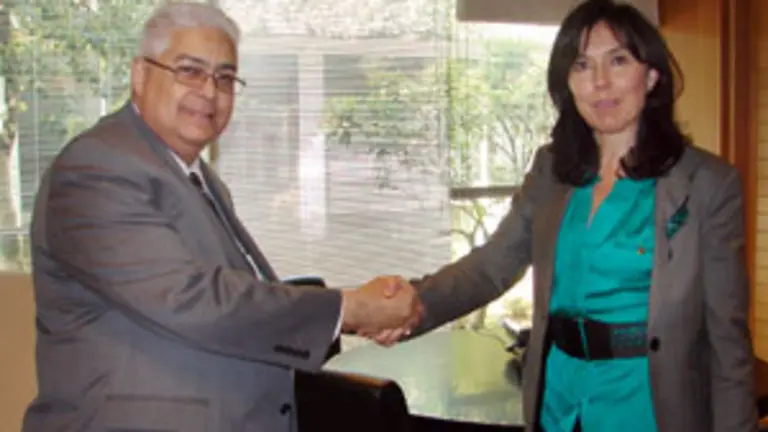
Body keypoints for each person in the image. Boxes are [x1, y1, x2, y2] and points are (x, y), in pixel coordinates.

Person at [22, 3, 422, 432]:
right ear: (139, 75)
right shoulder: (96, 168)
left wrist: (352, 308)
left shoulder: (197, 177)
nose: (209, 91)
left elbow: (240, 299)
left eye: (225, 77)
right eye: (190, 71)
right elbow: (190, 299)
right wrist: (349, 309)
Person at [365, 1, 757, 431]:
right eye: (582, 65)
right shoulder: (552, 170)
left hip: (647, 404)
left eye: (619, 60)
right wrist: (415, 305)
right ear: (567, 83)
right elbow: (492, 266)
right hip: (560, 399)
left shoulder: (706, 183)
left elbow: (727, 340)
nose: (600, 82)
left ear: (651, 76)